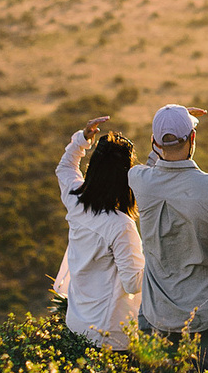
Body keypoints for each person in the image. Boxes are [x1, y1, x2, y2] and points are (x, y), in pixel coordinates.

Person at [128, 104, 208, 373]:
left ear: (154, 142)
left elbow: (151, 166)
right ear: (193, 139)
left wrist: (168, 124)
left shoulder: (139, 180)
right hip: (206, 319)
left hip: (156, 317)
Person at [54, 115, 145, 351]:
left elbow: (65, 168)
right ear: (125, 177)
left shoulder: (76, 201)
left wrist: (82, 140)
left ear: (93, 168)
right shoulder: (121, 225)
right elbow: (133, 283)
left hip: (76, 324)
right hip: (109, 337)